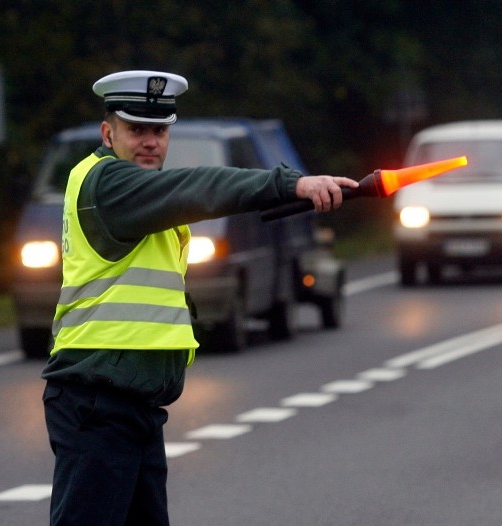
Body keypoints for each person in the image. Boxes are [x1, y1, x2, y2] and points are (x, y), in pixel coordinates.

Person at [41, 69, 359, 526]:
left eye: (160, 130)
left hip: (134, 405)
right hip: (98, 402)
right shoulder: (108, 183)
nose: (151, 141)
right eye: (137, 129)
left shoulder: (138, 194)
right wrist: (290, 184)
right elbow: (200, 187)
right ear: (107, 133)